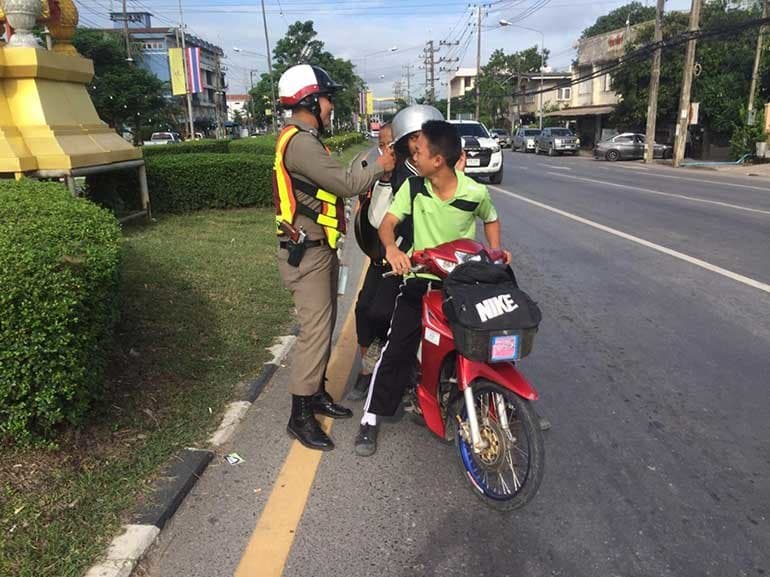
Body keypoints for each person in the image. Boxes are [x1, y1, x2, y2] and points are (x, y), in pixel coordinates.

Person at [354, 120, 511, 457]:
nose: (415, 152)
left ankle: (505, 405)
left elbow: (491, 218)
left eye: (420, 149)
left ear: (438, 160)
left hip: (462, 284)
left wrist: (495, 253)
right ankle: (370, 417)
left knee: (488, 339)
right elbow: (388, 224)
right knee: (397, 348)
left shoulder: (475, 192)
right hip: (420, 281)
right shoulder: (413, 188)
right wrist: (394, 250)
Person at [273, 64, 395, 451]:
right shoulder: (301, 143)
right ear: (309, 100)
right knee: (314, 333)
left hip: (316, 249)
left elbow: (333, 178)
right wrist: (381, 165)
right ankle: (300, 415)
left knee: (324, 328)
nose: (330, 106)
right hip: (305, 254)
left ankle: (317, 395)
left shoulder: (306, 139)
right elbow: (344, 184)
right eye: (326, 99)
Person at [350, 105, 444, 400]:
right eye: (384, 146)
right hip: (395, 258)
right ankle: (371, 371)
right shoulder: (399, 175)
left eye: (422, 139)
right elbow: (381, 221)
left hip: (434, 262)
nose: (415, 147)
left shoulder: (447, 173)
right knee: (367, 309)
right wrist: (384, 177)